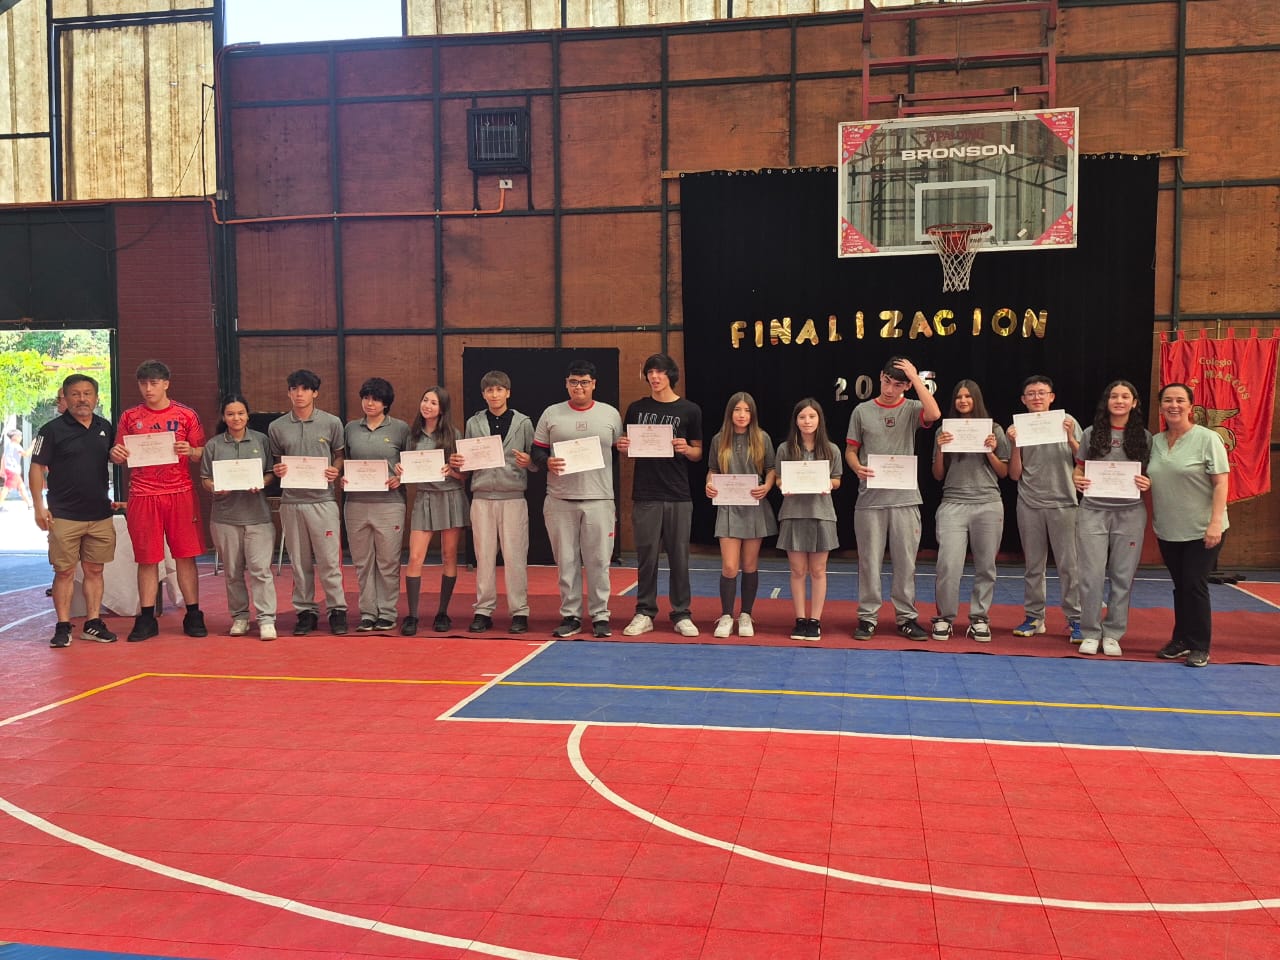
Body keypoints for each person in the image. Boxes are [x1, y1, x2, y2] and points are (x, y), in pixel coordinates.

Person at [109, 360, 208, 641]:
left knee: (185, 555)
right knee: (147, 558)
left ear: (166, 383)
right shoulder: (130, 417)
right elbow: (118, 452)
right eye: (143, 383)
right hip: (143, 494)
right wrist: (115, 454)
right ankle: (146, 617)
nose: (148, 389)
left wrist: (191, 450)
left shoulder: (186, 414)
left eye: (153, 383)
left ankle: (193, 613)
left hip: (179, 492)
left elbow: (203, 452)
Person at [845, 355, 941, 641]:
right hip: (870, 499)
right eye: (887, 381)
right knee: (869, 562)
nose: (890, 389)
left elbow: (934, 414)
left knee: (906, 563)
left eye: (898, 384)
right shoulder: (862, 410)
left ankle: (906, 617)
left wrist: (915, 377)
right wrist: (856, 467)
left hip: (905, 499)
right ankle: (867, 617)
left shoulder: (912, 408)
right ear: (880, 377)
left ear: (907, 386)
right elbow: (850, 450)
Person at [531, 359, 624, 639]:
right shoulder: (552, 413)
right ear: (566, 384)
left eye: (584, 382)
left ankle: (600, 616)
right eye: (574, 382)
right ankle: (570, 616)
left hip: (599, 499)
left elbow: (616, 451)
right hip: (560, 499)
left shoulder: (610, 414)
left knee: (599, 562)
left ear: (593, 384)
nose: (578, 387)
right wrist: (547, 462)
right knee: (566, 562)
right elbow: (537, 451)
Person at [617, 354, 704, 637]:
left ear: (671, 375)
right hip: (646, 493)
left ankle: (682, 614)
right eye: (650, 372)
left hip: (678, 493)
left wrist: (686, 448)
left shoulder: (690, 409)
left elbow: (698, 452)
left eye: (660, 372)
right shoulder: (636, 408)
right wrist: (623, 446)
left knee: (679, 557)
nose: (655, 377)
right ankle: (644, 612)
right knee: (646, 557)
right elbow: (628, 447)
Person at [29, 374, 117, 648]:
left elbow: (115, 457)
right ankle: (63, 625)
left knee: (95, 570)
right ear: (65, 398)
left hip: (100, 514)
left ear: (96, 398)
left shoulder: (105, 427)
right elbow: (36, 468)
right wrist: (39, 506)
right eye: (75, 394)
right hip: (64, 515)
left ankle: (93, 623)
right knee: (64, 572)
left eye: (87, 393)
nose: (82, 399)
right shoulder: (50, 430)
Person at [1148, 383, 1229, 668]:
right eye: (1168, 400)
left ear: (1190, 406)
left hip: (1202, 529)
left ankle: (1199, 646)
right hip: (1168, 529)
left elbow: (1221, 483)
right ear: (1161, 407)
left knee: (1194, 584)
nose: (1174, 405)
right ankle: (1181, 639)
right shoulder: (1156, 442)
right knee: (1180, 586)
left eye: (1180, 400)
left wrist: (1215, 523)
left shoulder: (1208, 439)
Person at [1072, 379, 1151, 656]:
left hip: (1130, 513)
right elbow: (1078, 469)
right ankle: (1090, 632)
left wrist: (1147, 482)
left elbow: (1151, 474)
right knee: (1090, 576)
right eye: (1114, 396)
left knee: (1122, 576)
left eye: (1125, 396)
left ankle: (1114, 633)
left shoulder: (1145, 437)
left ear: (1134, 402)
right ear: (1107, 402)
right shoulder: (1091, 433)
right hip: (1093, 511)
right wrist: (1077, 480)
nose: (1119, 401)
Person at [454, 370, 535, 635]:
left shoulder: (523, 422)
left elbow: (536, 461)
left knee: (515, 557)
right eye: (490, 390)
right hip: (482, 497)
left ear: (508, 392)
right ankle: (483, 610)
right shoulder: (474, 422)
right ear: (483, 394)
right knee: (484, 556)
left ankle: (519, 611)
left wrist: (529, 462)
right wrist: (459, 461)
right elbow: (467, 461)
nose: (495, 394)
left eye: (499, 389)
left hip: (513, 497)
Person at [930, 380, 1010, 642]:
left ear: (977, 399)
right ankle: (944, 617)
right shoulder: (944, 430)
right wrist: (940, 449)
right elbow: (937, 474)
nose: (963, 401)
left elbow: (1004, 472)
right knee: (948, 565)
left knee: (986, 566)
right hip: (953, 503)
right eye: (958, 397)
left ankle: (979, 618)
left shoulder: (994, 429)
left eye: (968, 396)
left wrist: (990, 451)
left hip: (988, 503)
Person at [268, 369, 347, 636]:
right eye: (294, 389)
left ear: (315, 393)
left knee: (329, 561)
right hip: (292, 502)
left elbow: (339, 455)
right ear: (289, 392)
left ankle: (337, 610)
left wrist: (336, 469)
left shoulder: (332, 422)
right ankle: (305, 612)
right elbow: (277, 461)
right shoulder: (277, 427)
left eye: (304, 389)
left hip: (323, 501)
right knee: (299, 562)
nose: (299, 394)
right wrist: (278, 469)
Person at [1007, 375, 1084, 641]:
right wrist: (1014, 445)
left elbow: (1085, 460)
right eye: (1031, 393)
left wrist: (1070, 437)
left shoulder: (1067, 421)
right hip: (1029, 503)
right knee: (1033, 565)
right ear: (1023, 400)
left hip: (1064, 502)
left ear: (1052, 397)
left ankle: (1076, 619)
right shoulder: (1016, 428)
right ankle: (1034, 617)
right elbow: (1014, 474)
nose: (1037, 397)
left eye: (1042, 392)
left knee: (1069, 566)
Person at [200, 393, 277, 640]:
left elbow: (270, 473)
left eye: (241, 413)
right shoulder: (214, 445)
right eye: (231, 414)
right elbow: (205, 479)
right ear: (224, 417)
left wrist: (261, 482)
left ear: (247, 415)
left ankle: (266, 619)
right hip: (225, 518)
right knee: (232, 572)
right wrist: (215, 487)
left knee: (261, 570)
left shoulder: (261, 440)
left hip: (258, 517)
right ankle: (240, 617)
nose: (236, 418)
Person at [703, 392, 777, 638]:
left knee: (750, 565)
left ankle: (746, 614)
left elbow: (771, 469)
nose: (742, 415)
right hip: (728, 507)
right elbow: (713, 469)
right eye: (737, 410)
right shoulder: (719, 439)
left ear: (752, 414)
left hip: (754, 507)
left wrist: (767, 486)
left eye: (746, 410)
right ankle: (726, 615)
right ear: (730, 412)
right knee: (729, 566)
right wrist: (709, 484)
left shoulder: (762, 438)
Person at [398, 385, 468, 635]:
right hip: (424, 497)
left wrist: (453, 471)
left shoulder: (454, 434)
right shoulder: (412, 435)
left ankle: (442, 613)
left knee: (449, 556)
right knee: (415, 557)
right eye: (425, 400)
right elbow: (406, 467)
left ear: (442, 409)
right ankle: (412, 616)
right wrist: (400, 469)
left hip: (450, 496)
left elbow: (464, 475)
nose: (427, 405)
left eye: (433, 403)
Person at [343, 378, 410, 632]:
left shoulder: (400, 429)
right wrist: (343, 478)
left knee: (388, 562)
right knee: (362, 563)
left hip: (390, 504)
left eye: (376, 399)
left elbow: (411, 465)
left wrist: (400, 478)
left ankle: (388, 612)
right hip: (356, 504)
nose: (369, 403)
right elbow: (344, 462)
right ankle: (368, 612)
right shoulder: (350, 428)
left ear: (386, 403)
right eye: (366, 398)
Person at [777, 397, 842, 641]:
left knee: (818, 570)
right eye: (802, 417)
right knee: (797, 570)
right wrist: (784, 485)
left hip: (821, 514)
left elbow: (837, 480)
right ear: (796, 420)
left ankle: (814, 620)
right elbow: (780, 479)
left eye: (812, 416)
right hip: (793, 514)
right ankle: (800, 619)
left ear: (819, 419)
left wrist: (828, 484)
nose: (807, 421)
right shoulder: (785, 449)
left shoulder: (831, 449)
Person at [4, 429, 33, 510]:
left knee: (21, 487)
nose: (21, 437)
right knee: (7, 488)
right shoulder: (16, 445)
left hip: (11, 469)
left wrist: (2, 469)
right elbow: (26, 454)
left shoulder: (9, 445)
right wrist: (33, 445)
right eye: (20, 436)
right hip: (13, 470)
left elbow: (3, 457)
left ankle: (29, 504)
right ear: (14, 437)